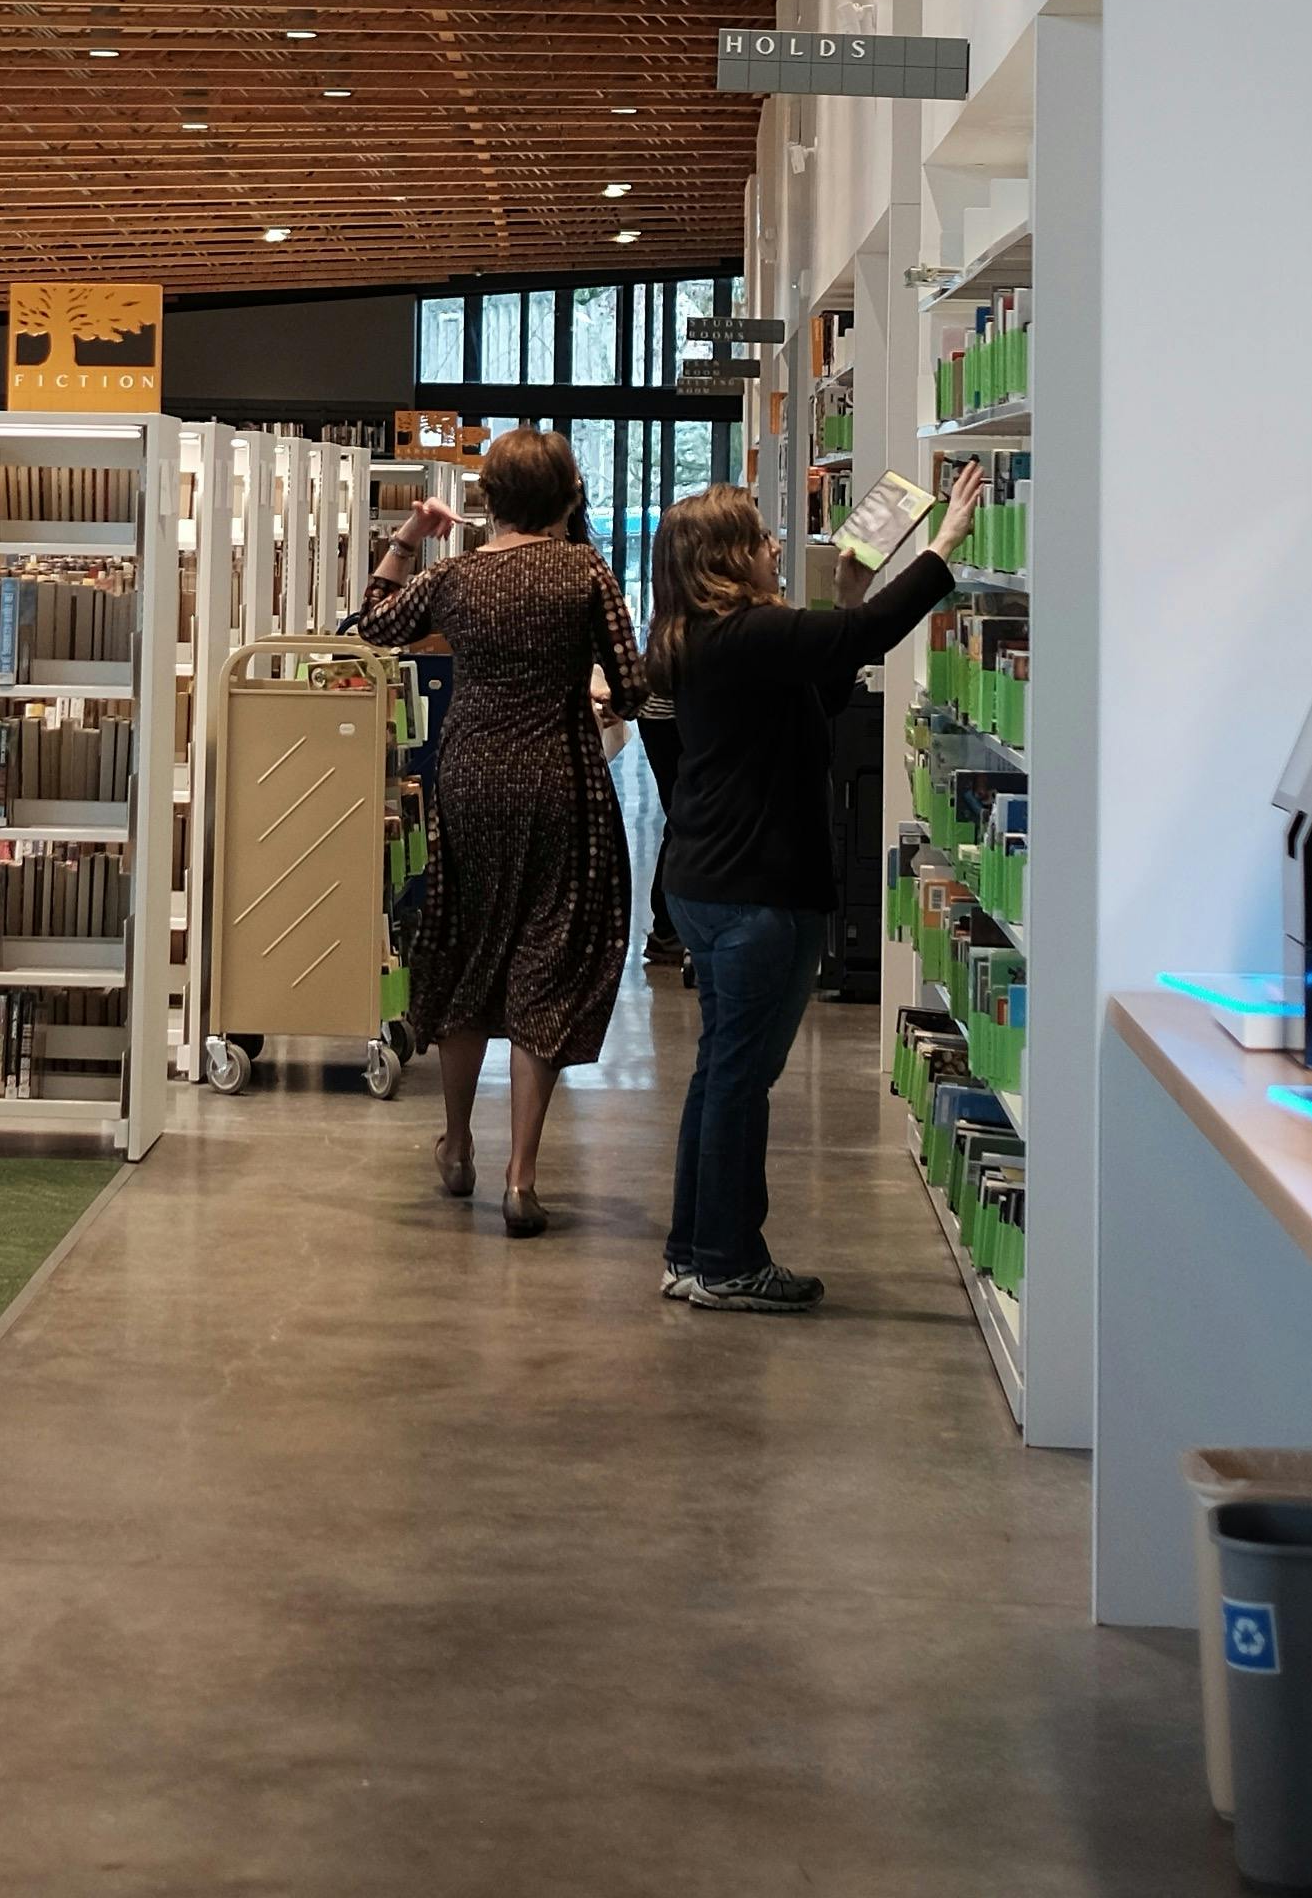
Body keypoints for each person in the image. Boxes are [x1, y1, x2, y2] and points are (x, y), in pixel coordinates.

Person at [643, 464, 984, 1311]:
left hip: (708, 878)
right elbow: (859, 639)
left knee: (719, 1073)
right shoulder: (749, 634)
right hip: (756, 888)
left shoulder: (699, 638)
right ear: (727, 558)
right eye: (758, 536)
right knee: (738, 1079)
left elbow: (821, 688)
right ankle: (725, 1262)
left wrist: (851, 584)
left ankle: (696, 1251)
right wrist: (939, 551)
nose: (770, 546)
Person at [357, 426, 644, 1234]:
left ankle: (456, 1146)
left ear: (491, 499)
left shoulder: (452, 578)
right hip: (561, 779)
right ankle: (522, 1176)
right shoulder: (583, 570)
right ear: (566, 497)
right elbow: (631, 679)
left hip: (471, 777)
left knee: (467, 943)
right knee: (546, 956)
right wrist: (598, 702)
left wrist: (409, 537)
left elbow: (372, 624)